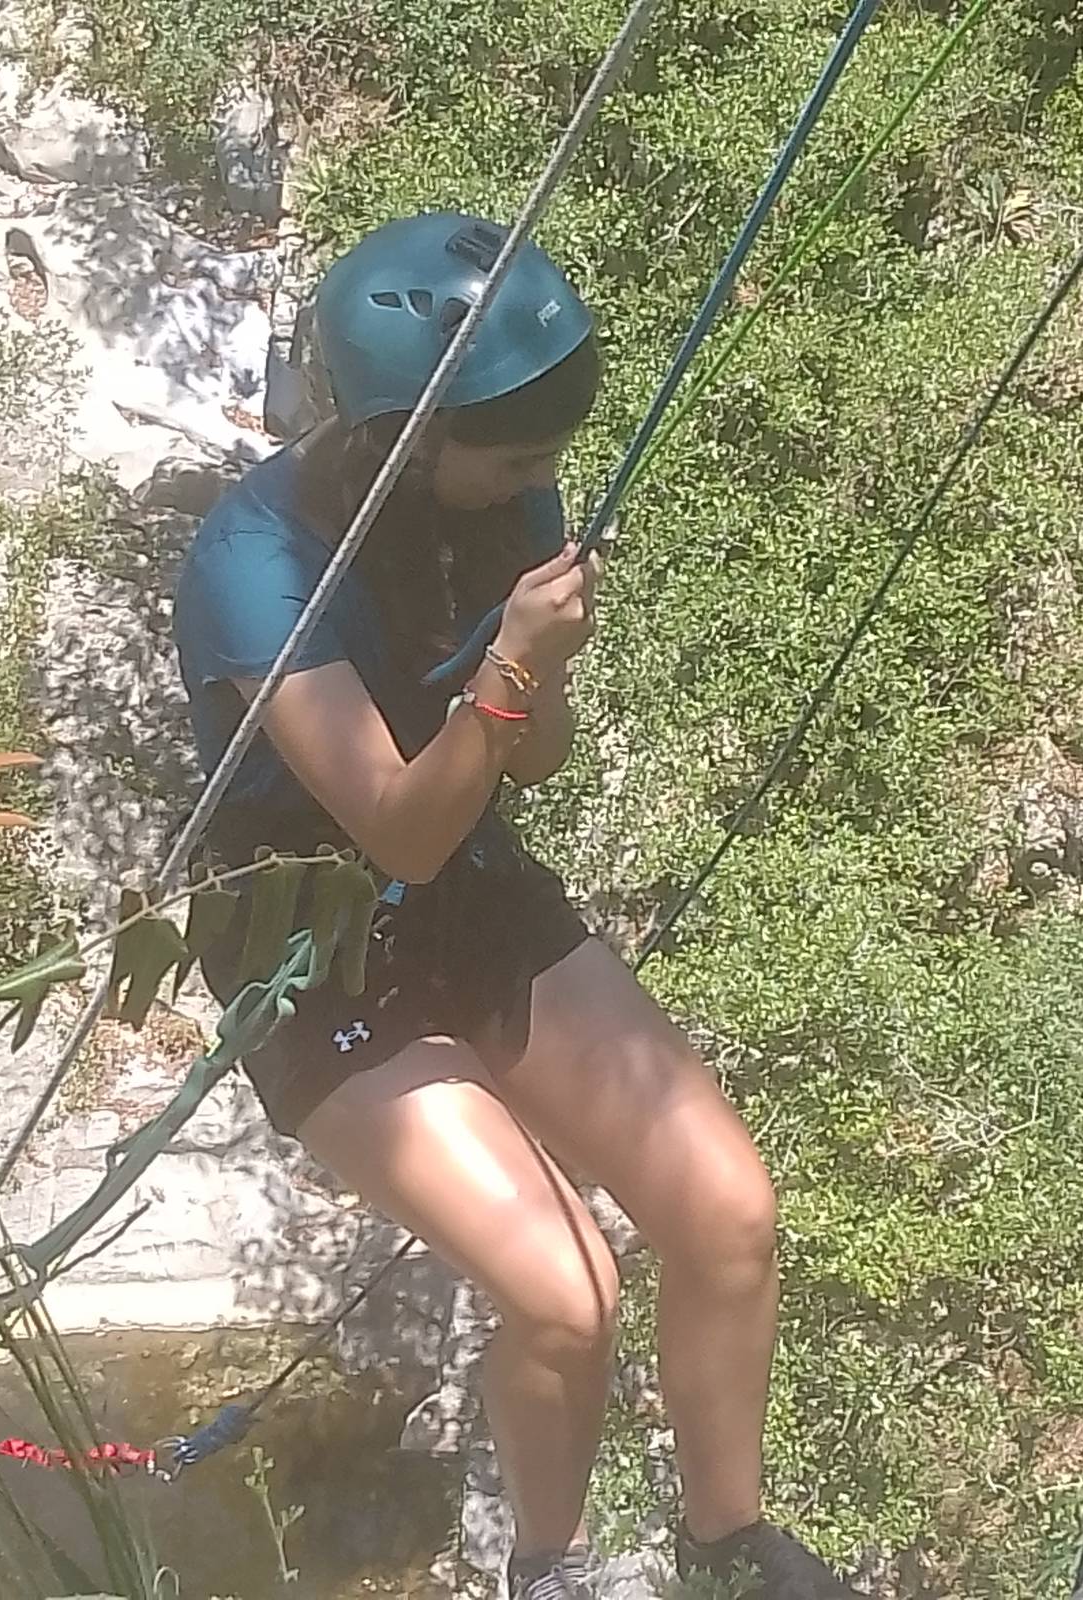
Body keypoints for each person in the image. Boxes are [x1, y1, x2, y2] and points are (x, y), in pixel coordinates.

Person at [172, 212, 855, 1600]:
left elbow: (529, 763)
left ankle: (731, 1547)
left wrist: (531, 663)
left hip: (464, 879)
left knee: (728, 1213)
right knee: (565, 1290)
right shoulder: (252, 565)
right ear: (400, 438)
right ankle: (548, 1571)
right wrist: (512, 667)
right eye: (519, 457)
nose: (543, 483)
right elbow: (399, 828)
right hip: (302, 935)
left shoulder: (495, 501)